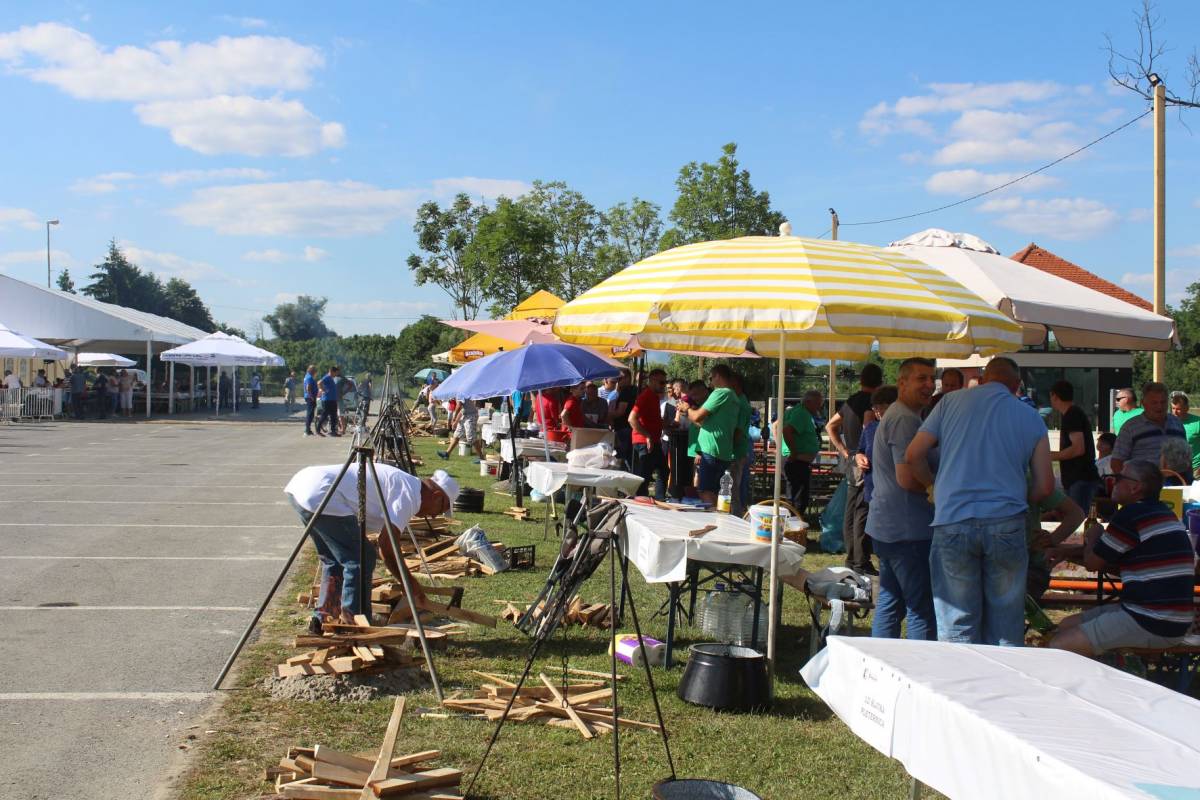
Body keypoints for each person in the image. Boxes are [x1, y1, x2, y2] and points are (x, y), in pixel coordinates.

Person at [906, 356, 1054, 646]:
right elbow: (1046, 486)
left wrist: (932, 485)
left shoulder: (951, 403)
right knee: (1006, 624)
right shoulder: (1031, 417)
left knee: (956, 622)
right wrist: (1020, 497)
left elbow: (912, 454)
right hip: (1007, 521)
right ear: (1016, 386)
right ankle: (1000, 688)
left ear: (984, 380)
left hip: (952, 519)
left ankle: (959, 688)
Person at [285, 464, 459, 629]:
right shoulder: (409, 494)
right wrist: (409, 582)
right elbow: (386, 547)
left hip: (302, 486)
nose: (436, 515)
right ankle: (354, 625)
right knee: (362, 558)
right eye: (441, 509)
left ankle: (323, 617)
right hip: (321, 493)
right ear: (436, 496)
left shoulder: (406, 484)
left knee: (334, 559)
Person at [1047, 460, 1194, 655]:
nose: (1111, 482)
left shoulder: (1131, 515)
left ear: (1135, 487)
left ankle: (1086, 682)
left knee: (1059, 645)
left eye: (1118, 478)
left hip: (1150, 619)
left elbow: (1093, 563)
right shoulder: (1161, 513)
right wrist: (1066, 552)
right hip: (1169, 620)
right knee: (1067, 624)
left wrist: (1093, 534)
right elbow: (1106, 553)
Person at [866, 360, 937, 641]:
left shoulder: (903, 416)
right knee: (921, 608)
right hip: (907, 529)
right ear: (902, 383)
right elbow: (907, 478)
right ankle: (920, 671)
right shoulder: (905, 419)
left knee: (891, 602)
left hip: (891, 526)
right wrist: (935, 488)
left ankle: (881, 664)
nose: (929, 385)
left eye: (932, 378)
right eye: (922, 379)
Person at [827, 363, 884, 575]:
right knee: (862, 511)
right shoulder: (871, 404)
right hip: (864, 462)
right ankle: (860, 560)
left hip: (851, 460)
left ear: (861, 380)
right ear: (880, 382)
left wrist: (845, 452)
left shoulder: (851, 401)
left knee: (851, 511)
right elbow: (868, 427)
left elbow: (830, 426)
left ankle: (852, 557)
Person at [682, 365, 740, 506]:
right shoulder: (734, 397)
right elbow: (707, 425)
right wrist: (690, 413)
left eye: (711, 378)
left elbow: (696, 417)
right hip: (723, 450)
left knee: (705, 491)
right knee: (716, 492)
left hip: (712, 450)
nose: (710, 382)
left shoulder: (720, 393)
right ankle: (720, 520)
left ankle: (716, 521)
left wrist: (687, 409)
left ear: (718, 376)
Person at [1110, 382, 1186, 474]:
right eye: (1154, 402)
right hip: (1144, 485)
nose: (1159, 406)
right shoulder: (1130, 428)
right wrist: (1131, 483)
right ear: (1143, 403)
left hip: (1177, 482)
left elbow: (1185, 456)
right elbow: (1116, 462)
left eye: (1163, 402)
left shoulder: (1177, 424)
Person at [1048, 380, 1100, 513]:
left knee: (1077, 520)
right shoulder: (1073, 413)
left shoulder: (1072, 414)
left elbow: (1078, 448)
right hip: (1077, 479)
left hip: (1080, 478)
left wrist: (1049, 456)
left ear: (1054, 396)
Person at [780, 389, 822, 515]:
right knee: (798, 499)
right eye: (818, 403)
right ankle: (794, 529)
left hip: (796, 460)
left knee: (795, 496)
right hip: (797, 461)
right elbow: (787, 430)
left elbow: (777, 426)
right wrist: (793, 452)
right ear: (808, 402)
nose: (819, 407)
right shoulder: (801, 414)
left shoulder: (795, 411)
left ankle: (794, 528)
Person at [630, 369, 668, 498]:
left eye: (665, 382)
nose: (664, 385)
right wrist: (647, 436)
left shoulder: (654, 397)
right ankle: (641, 499)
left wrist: (667, 424)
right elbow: (631, 418)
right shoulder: (645, 396)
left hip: (652, 440)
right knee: (645, 475)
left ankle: (659, 498)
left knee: (662, 470)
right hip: (644, 441)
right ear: (651, 381)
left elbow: (653, 420)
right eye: (661, 382)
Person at [729, 372, 753, 516]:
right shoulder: (739, 400)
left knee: (732, 491)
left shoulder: (742, 404)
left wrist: (727, 447)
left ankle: (736, 518)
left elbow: (738, 431)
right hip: (735, 451)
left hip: (736, 452)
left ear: (735, 385)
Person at [609, 369, 637, 464]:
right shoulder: (635, 390)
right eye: (617, 378)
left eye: (620, 378)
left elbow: (620, 411)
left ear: (628, 378)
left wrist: (608, 415)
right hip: (631, 428)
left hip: (624, 428)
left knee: (621, 458)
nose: (618, 380)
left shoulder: (626, 391)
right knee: (629, 457)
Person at [1170, 391, 1200, 477]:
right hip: (1175, 471)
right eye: (1173, 408)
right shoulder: (1167, 422)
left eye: (1178, 409)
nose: (1175, 412)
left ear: (1186, 408)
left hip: (1196, 470)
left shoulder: (1197, 423)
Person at [315, 366, 341, 437]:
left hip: (332, 400)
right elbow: (319, 382)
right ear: (332, 371)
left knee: (333, 416)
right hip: (327, 400)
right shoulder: (327, 377)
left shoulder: (331, 378)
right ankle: (318, 430)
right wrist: (323, 390)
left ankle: (333, 431)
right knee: (324, 415)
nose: (336, 374)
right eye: (336, 373)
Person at [303, 365, 318, 436]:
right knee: (310, 414)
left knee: (310, 414)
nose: (315, 371)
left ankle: (308, 429)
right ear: (311, 370)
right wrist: (311, 396)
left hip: (309, 397)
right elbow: (308, 387)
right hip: (310, 398)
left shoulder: (307, 376)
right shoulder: (309, 377)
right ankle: (307, 430)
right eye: (314, 370)